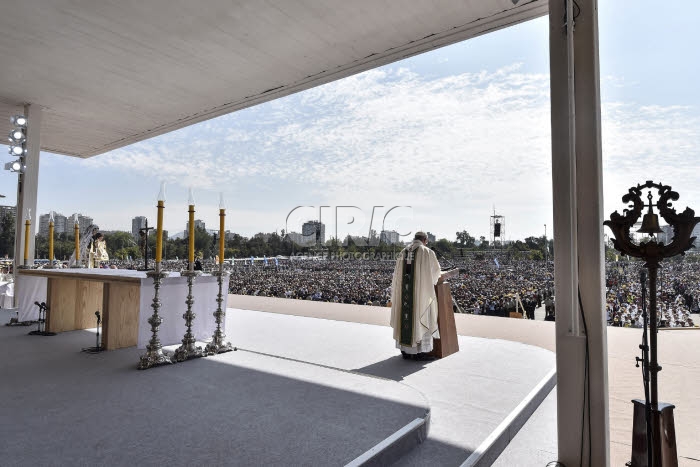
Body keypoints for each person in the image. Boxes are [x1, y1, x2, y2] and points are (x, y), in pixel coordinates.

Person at [390, 231, 445, 361]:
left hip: (404, 295)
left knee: (405, 319)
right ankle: (419, 353)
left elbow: (397, 276)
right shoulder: (426, 252)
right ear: (425, 240)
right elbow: (436, 272)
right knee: (421, 317)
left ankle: (406, 351)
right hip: (420, 295)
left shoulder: (403, 252)